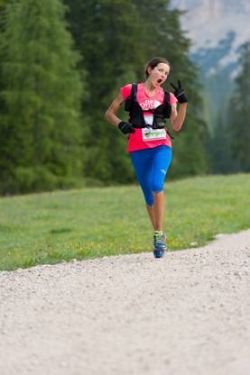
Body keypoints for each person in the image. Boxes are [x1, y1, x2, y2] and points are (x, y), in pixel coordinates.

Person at [104, 57, 188, 258]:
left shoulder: (169, 98)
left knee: (156, 183)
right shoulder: (130, 90)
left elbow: (176, 126)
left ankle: (159, 236)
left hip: (161, 146)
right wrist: (120, 124)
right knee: (148, 196)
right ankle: (158, 233)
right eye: (160, 70)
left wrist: (183, 103)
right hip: (138, 148)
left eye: (166, 73)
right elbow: (109, 113)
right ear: (150, 70)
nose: (163, 75)